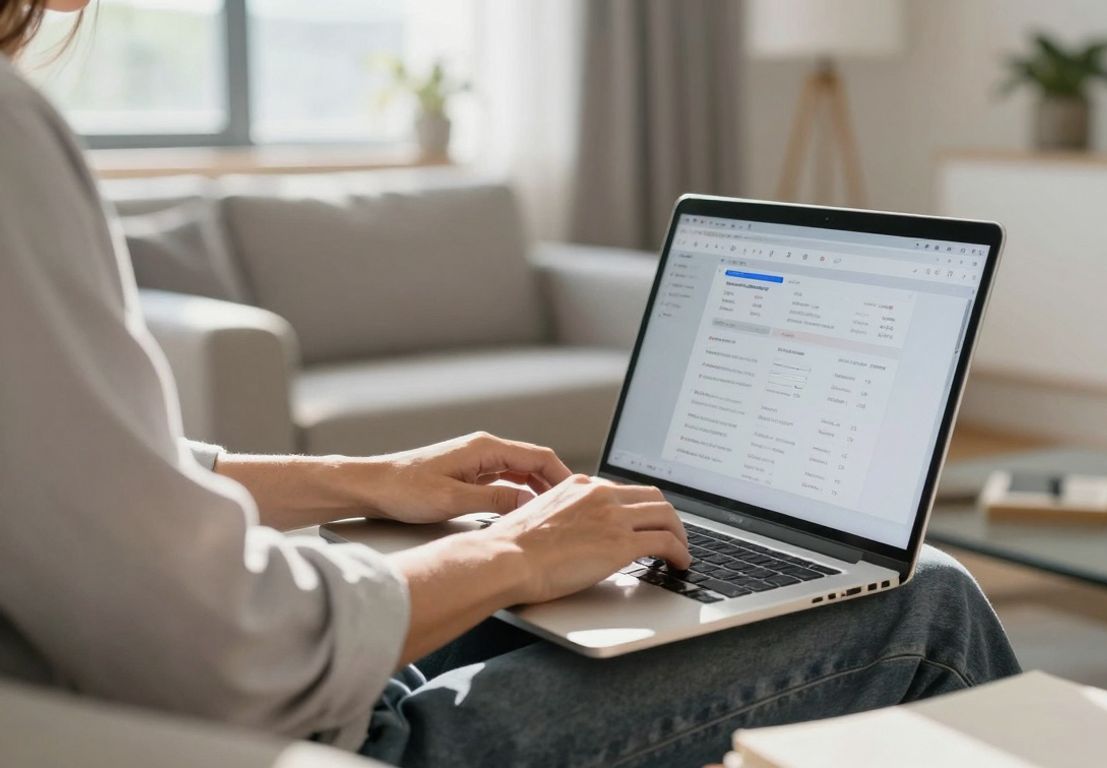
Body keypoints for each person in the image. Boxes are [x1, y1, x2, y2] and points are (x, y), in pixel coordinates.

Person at [0, 1, 1020, 765]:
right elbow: (227, 646)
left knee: (606, 583)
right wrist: (511, 553)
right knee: (924, 597)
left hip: (192, 695)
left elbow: (74, 478)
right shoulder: (10, 133)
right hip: (308, 737)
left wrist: (366, 479)